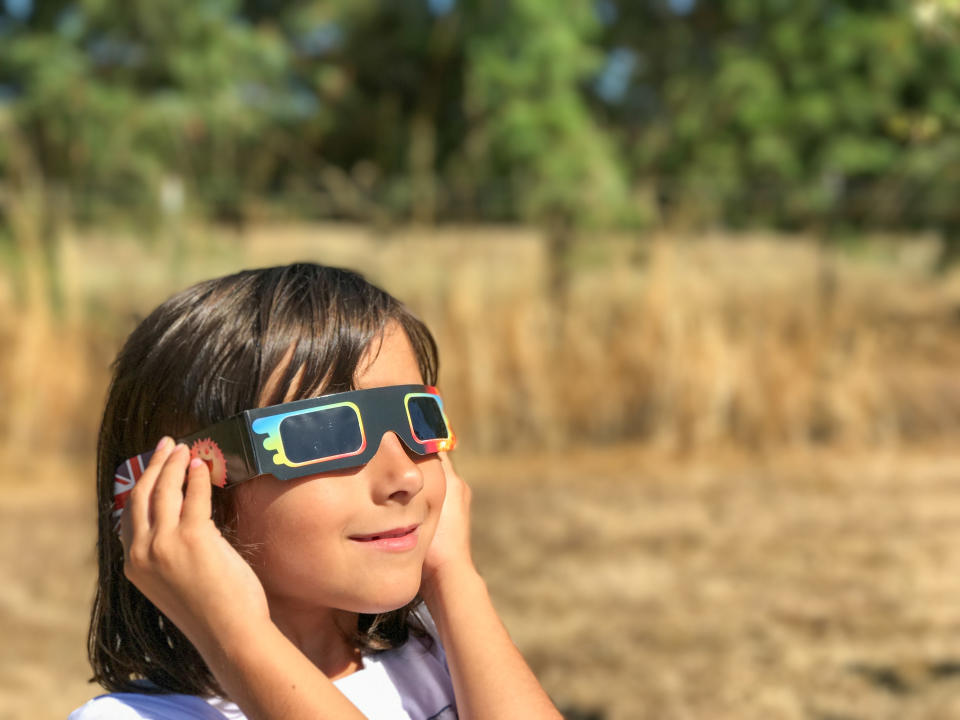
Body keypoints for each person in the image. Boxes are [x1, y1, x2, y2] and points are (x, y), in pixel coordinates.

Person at [70, 264, 562, 720]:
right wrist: (238, 639)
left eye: (418, 418)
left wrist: (455, 578)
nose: (406, 477)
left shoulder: (444, 655)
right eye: (326, 436)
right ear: (180, 489)